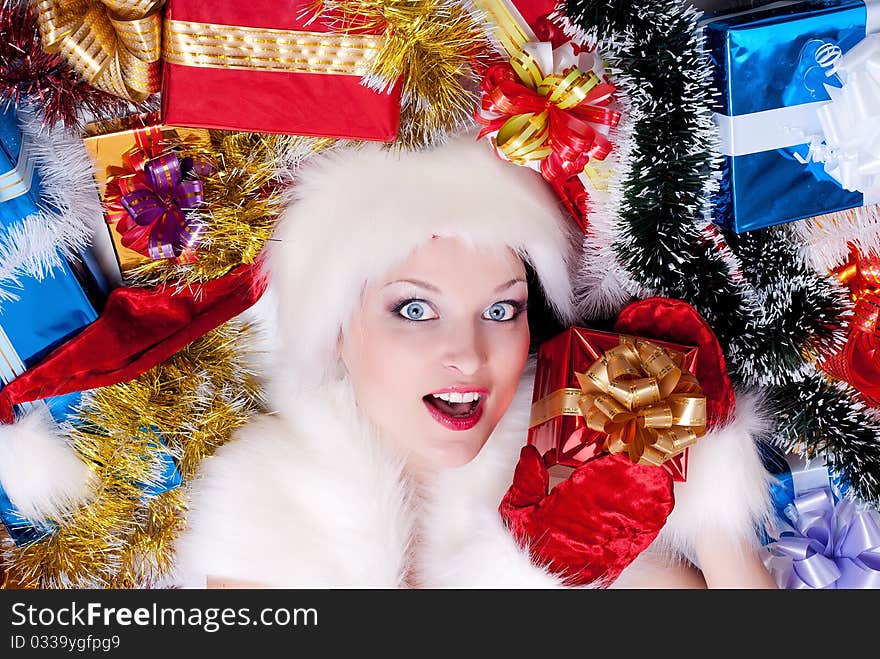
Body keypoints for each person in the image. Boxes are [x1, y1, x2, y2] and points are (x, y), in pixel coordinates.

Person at [164, 133, 777, 589]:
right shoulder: (270, 503)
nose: (466, 354)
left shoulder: (569, 468)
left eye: (501, 311)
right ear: (338, 331)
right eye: (413, 310)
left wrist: (707, 486)